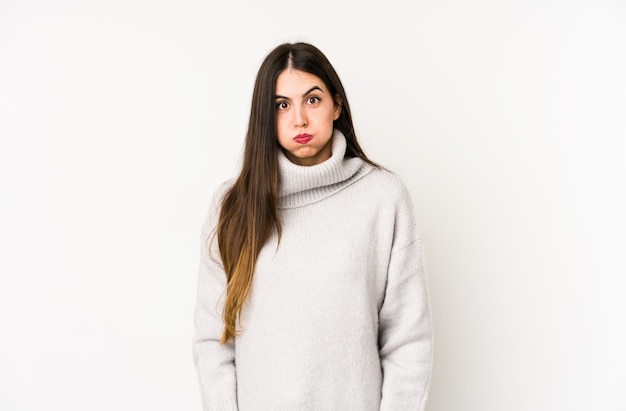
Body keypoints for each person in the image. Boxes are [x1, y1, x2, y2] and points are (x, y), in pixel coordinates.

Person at [193, 42, 433, 411]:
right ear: (265, 115)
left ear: (336, 105)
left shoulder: (383, 197)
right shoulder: (233, 205)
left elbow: (408, 340)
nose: (299, 120)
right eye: (281, 105)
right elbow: (214, 342)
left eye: (313, 100)